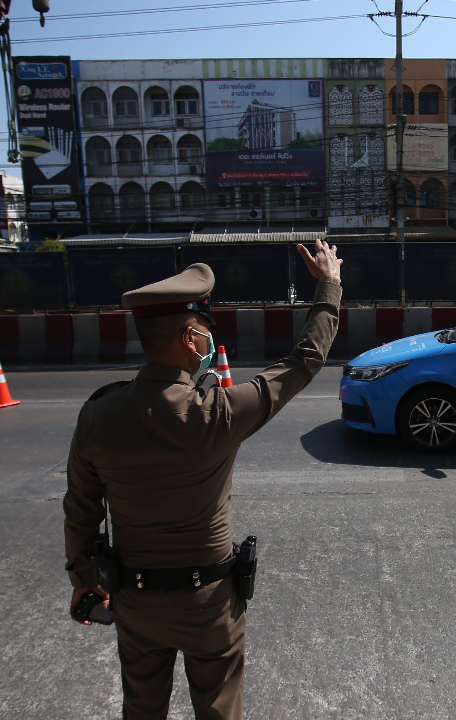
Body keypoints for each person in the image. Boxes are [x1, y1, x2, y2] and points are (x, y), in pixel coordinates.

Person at [63, 241, 343, 720]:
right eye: (206, 332)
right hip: (209, 605)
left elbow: (81, 510)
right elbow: (304, 361)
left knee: (141, 709)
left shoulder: (97, 416)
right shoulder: (218, 412)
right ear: (191, 337)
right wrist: (329, 287)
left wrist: (84, 581)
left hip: (135, 603)